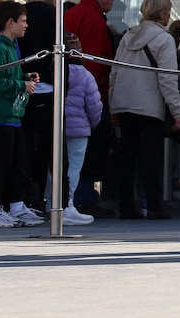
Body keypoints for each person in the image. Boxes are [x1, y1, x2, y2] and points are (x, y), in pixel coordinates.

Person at [110, 0, 180, 220]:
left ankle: (126, 205)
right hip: (149, 105)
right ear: (162, 14)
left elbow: (115, 72)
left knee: (127, 156)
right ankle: (154, 205)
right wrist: (177, 111)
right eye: (168, 12)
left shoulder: (127, 36)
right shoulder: (164, 39)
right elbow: (167, 78)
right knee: (150, 158)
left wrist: (113, 106)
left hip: (124, 102)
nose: (169, 16)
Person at [0, 1, 43, 228]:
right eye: (23, 21)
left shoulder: (9, 48)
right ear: (10, 22)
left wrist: (24, 77)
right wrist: (20, 85)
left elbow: (5, 76)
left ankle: (16, 205)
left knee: (17, 164)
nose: (26, 26)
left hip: (12, 116)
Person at [63, 0, 116, 219]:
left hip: (67, 94)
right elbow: (94, 64)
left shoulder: (74, 13)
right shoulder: (93, 18)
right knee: (86, 153)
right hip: (85, 98)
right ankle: (81, 198)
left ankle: (71, 198)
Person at [17, 0, 57, 212]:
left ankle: (24, 198)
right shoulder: (50, 14)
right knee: (50, 149)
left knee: (24, 149)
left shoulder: (15, 14)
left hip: (20, 90)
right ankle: (46, 199)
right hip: (45, 89)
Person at [59, 33, 101, 225]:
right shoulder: (85, 75)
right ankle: (69, 205)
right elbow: (94, 106)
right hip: (79, 131)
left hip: (57, 128)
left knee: (55, 169)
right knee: (73, 169)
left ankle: (53, 203)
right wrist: (93, 124)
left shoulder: (56, 71)